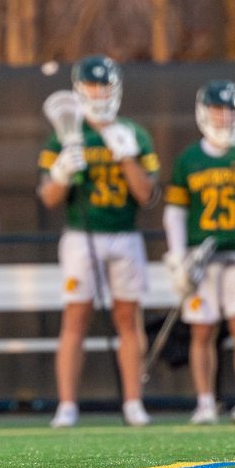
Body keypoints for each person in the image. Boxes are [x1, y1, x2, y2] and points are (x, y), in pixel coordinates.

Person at [38, 54, 158, 428]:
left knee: (127, 317)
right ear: (79, 89)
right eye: (92, 86)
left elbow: (147, 194)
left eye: (104, 86)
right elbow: (48, 197)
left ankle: (133, 403)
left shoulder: (134, 133)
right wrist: (61, 174)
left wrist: (126, 157)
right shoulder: (64, 134)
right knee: (75, 317)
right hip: (81, 233)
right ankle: (67, 405)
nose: (98, 93)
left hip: (124, 234)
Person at [163, 80, 235, 425]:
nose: (224, 117)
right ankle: (205, 403)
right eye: (217, 110)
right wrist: (178, 256)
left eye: (230, 111)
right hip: (202, 260)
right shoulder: (189, 159)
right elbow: (175, 213)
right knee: (202, 332)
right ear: (203, 113)